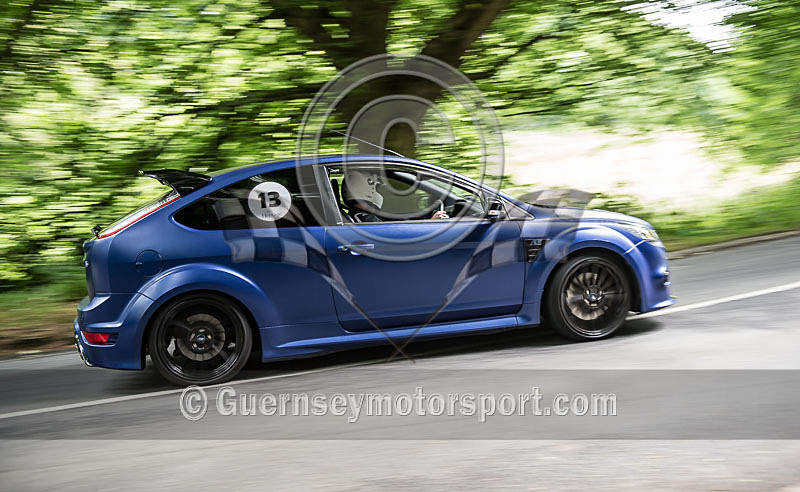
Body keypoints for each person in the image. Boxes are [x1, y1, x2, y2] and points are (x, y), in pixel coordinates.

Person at [341, 170, 448, 222]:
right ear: (366, 189)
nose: (379, 192)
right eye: (377, 188)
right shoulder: (367, 220)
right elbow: (399, 237)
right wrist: (431, 223)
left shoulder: (360, 216)